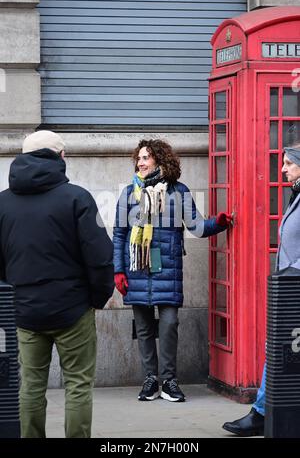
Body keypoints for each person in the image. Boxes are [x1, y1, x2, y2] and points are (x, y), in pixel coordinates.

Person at [0, 130, 114, 438]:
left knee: (31, 385)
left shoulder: (3, 203)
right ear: (60, 157)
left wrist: (15, 295)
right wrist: (97, 298)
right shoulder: (76, 197)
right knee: (77, 385)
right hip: (72, 309)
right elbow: (100, 256)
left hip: (25, 311)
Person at [113, 139, 232, 402]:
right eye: (139, 159)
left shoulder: (178, 192)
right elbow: (120, 234)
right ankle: (150, 380)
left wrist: (219, 223)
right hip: (137, 269)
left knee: (169, 325)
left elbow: (198, 227)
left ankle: (168, 381)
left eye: (146, 158)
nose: (140, 163)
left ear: (160, 160)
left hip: (167, 269)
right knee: (143, 328)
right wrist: (118, 270)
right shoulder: (129, 194)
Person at [223, 143, 300, 437]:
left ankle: (261, 412)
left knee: (280, 352)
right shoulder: (296, 194)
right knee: (279, 351)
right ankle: (262, 411)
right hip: (289, 290)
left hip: (295, 286)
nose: (282, 169)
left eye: (289, 163)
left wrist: (295, 269)